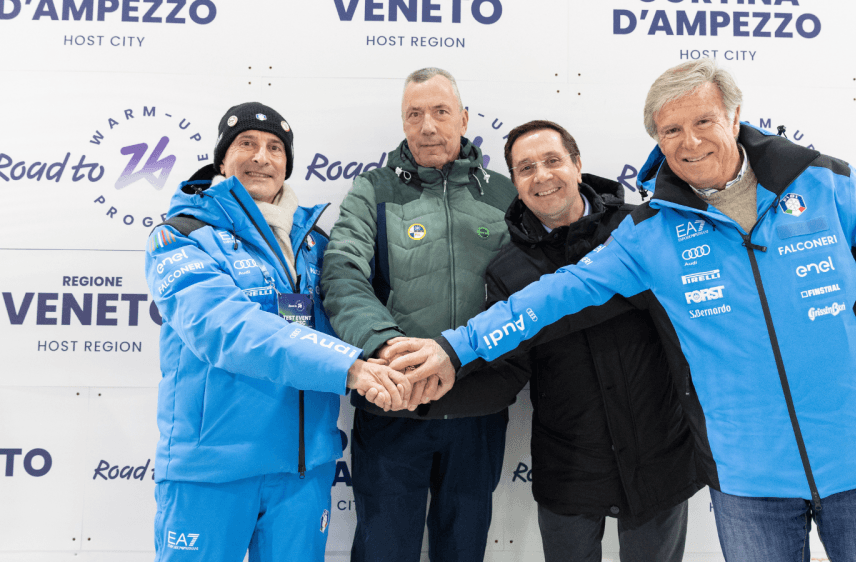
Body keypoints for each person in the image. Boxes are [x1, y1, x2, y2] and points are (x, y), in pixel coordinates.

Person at [386, 60, 856, 562]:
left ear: (734, 117)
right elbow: (550, 297)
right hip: (748, 483)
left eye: (703, 122)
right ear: (657, 141)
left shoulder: (827, 184)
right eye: (671, 130)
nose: (689, 143)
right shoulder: (650, 233)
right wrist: (453, 347)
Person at [145, 102, 409, 562]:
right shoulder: (181, 235)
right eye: (246, 144)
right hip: (213, 470)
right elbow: (228, 328)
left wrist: (393, 352)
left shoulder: (315, 243)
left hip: (303, 473)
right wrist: (349, 367)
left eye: (274, 148)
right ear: (222, 160)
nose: (261, 157)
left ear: (286, 164)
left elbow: (352, 312)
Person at [319, 68, 518, 561]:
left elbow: (525, 293)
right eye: (414, 114)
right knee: (384, 550)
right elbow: (342, 273)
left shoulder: (504, 194)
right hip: (393, 403)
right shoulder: (373, 190)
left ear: (464, 119)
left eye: (440, 112)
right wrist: (385, 346)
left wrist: (475, 360)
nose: (427, 126)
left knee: (463, 550)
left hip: (477, 404)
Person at [481, 119, 700, 561]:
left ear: (577, 164)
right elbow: (506, 372)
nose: (542, 176)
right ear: (515, 182)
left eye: (552, 160)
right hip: (569, 468)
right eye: (526, 168)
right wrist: (429, 386)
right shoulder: (507, 270)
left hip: (659, 456)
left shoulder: (641, 229)